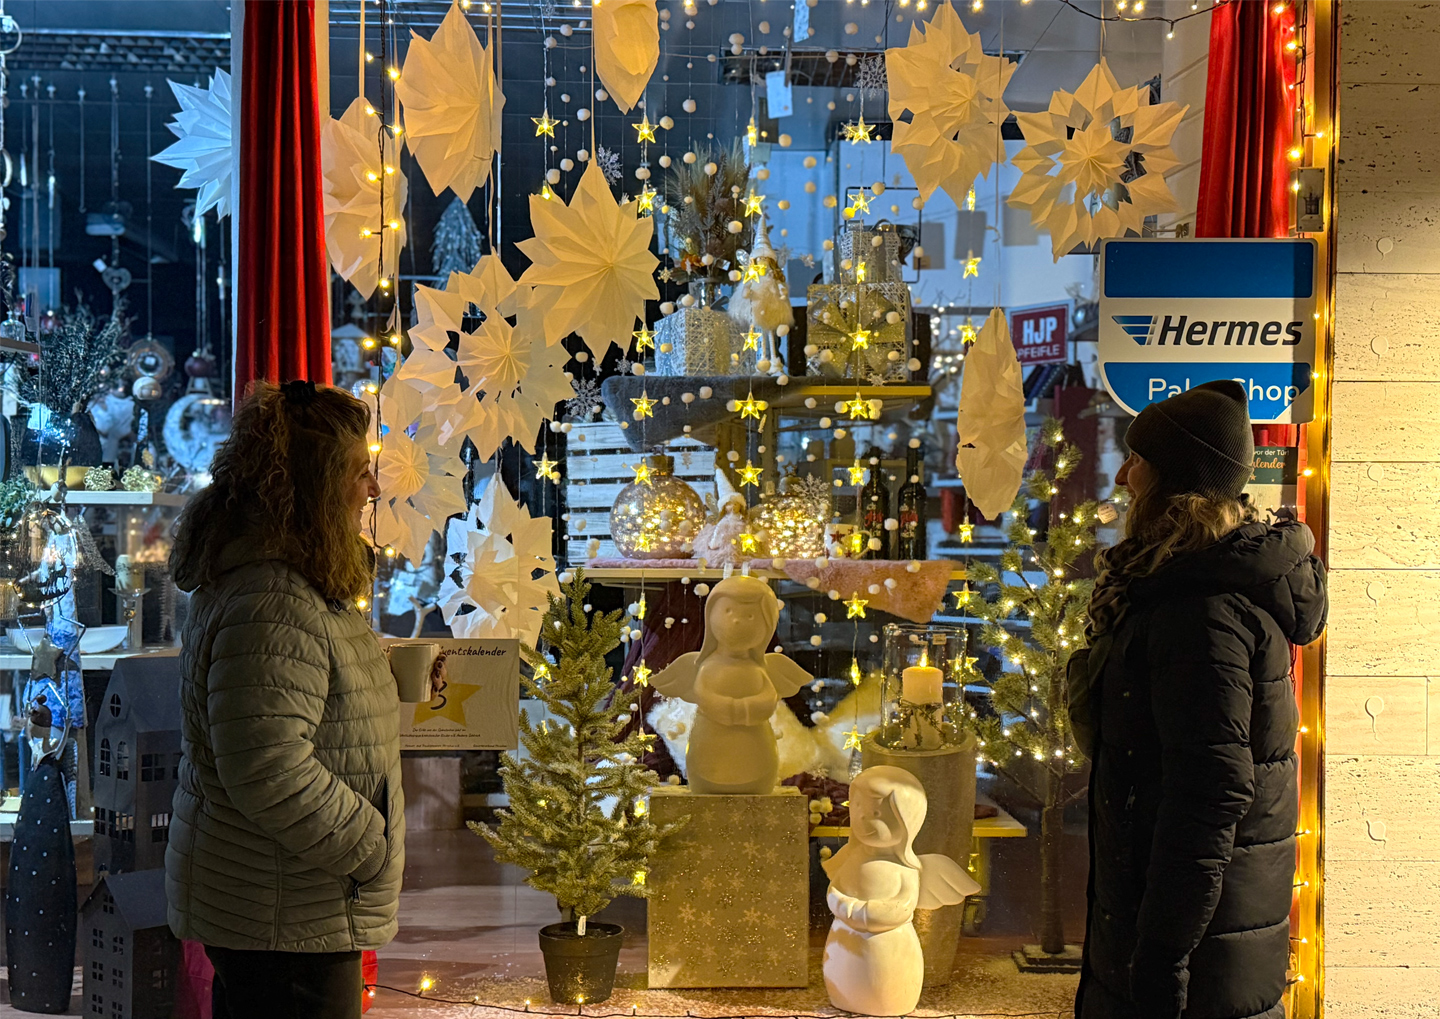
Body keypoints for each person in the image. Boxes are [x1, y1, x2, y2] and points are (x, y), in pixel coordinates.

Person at [1070, 381, 1327, 1019]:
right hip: (1195, 938)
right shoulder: (1177, 587)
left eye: (1139, 461)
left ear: (1170, 483)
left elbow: (1207, 798)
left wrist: (1160, 961)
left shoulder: (1199, 611)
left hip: (1192, 962)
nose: (1124, 474)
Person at [166, 380, 402, 1019]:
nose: (372, 490)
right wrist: (368, 846)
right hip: (284, 907)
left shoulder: (288, 584)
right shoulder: (274, 600)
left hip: (289, 900)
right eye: (359, 473)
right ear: (316, 487)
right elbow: (269, 770)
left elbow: (289, 709)